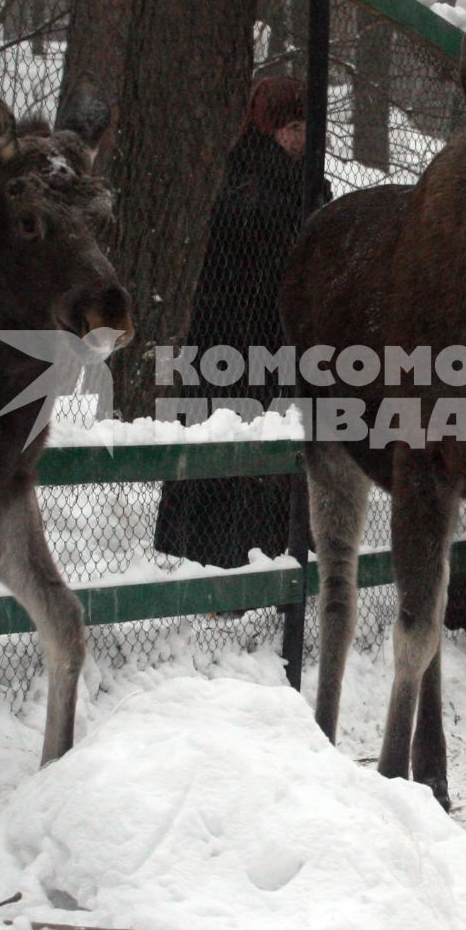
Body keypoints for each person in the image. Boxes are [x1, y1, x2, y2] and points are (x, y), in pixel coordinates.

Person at [153, 77, 306, 570]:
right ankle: (219, 558)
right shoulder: (253, 180)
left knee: (267, 449)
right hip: (234, 337)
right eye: (292, 127)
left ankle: (263, 558)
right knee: (226, 445)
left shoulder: (297, 178)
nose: (300, 137)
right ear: (270, 127)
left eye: (306, 126)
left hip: (271, 340)